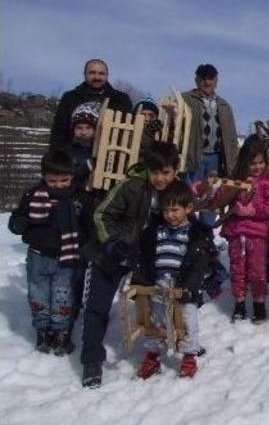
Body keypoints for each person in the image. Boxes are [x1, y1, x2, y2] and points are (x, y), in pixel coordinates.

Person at [79, 141, 180, 388]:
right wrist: (112, 243)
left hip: (144, 257)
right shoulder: (131, 186)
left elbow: (186, 214)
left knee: (156, 301)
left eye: (166, 172)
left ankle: (175, 343)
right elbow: (102, 214)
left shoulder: (176, 190)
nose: (160, 178)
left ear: (175, 170)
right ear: (147, 168)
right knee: (97, 306)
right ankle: (92, 359)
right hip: (110, 254)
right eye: (155, 172)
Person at [8, 150, 93, 356]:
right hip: (38, 255)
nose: (58, 184)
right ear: (44, 177)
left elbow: (88, 226)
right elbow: (16, 222)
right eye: (52, 180)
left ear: (72, 176)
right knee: (38, 295)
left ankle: (62, 331)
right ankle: (43, 330)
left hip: (66, 257)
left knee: (62, 297)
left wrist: (86, 245)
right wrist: (20, 222)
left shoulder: (79, 198)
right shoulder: (33, 196)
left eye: (64, 180)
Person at [132, 181, 219, 379]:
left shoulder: (194, 234)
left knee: (187, 322)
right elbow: (143, 259)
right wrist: (141, 282)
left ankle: (189, 355)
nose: (170, 215)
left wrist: (189, 287)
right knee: (155, 322)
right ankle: (152, 355)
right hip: (159, 286)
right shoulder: (155, 232)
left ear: (188, 208)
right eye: (166, 210)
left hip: (183, 287)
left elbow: (198, 265)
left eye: (175, 210)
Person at [217, 139, 269, 323]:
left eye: (260, 162)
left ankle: (259, 305)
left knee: (257, 271)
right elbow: (220, 198)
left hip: (258, 234)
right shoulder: (235, 180)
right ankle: (239, 304)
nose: (257, 167)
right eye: (252, 163)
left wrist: (253, 210)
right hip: (236, 232)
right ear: (244, 162)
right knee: (237, 269)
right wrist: (224, 193)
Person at [49, 58, 132, 152]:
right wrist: (56, 156)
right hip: (73, 155)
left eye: (101, 73)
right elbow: (59, 130)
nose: (97, 77)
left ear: (107, 75)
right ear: (85, 74)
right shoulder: (70, 97)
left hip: (108, 155)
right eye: (92, 73)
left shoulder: (120, 99)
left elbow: (125, 132)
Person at [183, 64, 239, 182]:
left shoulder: (224, 106)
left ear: (216, 81)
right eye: (203, 78)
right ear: (196, 80)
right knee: (192, 190)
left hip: (216, 157)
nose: (207, 82)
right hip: (194, 154)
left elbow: (232, 137)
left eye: (210, 79)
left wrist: (232, 162)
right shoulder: (186, 99)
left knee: (212, 192)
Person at [63, 102, 99, 189]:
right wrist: (86, 167)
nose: (84, 132)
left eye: (88, 128)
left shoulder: (101, 151)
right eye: (79, 128)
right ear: (73, 129)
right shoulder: (67, 152)